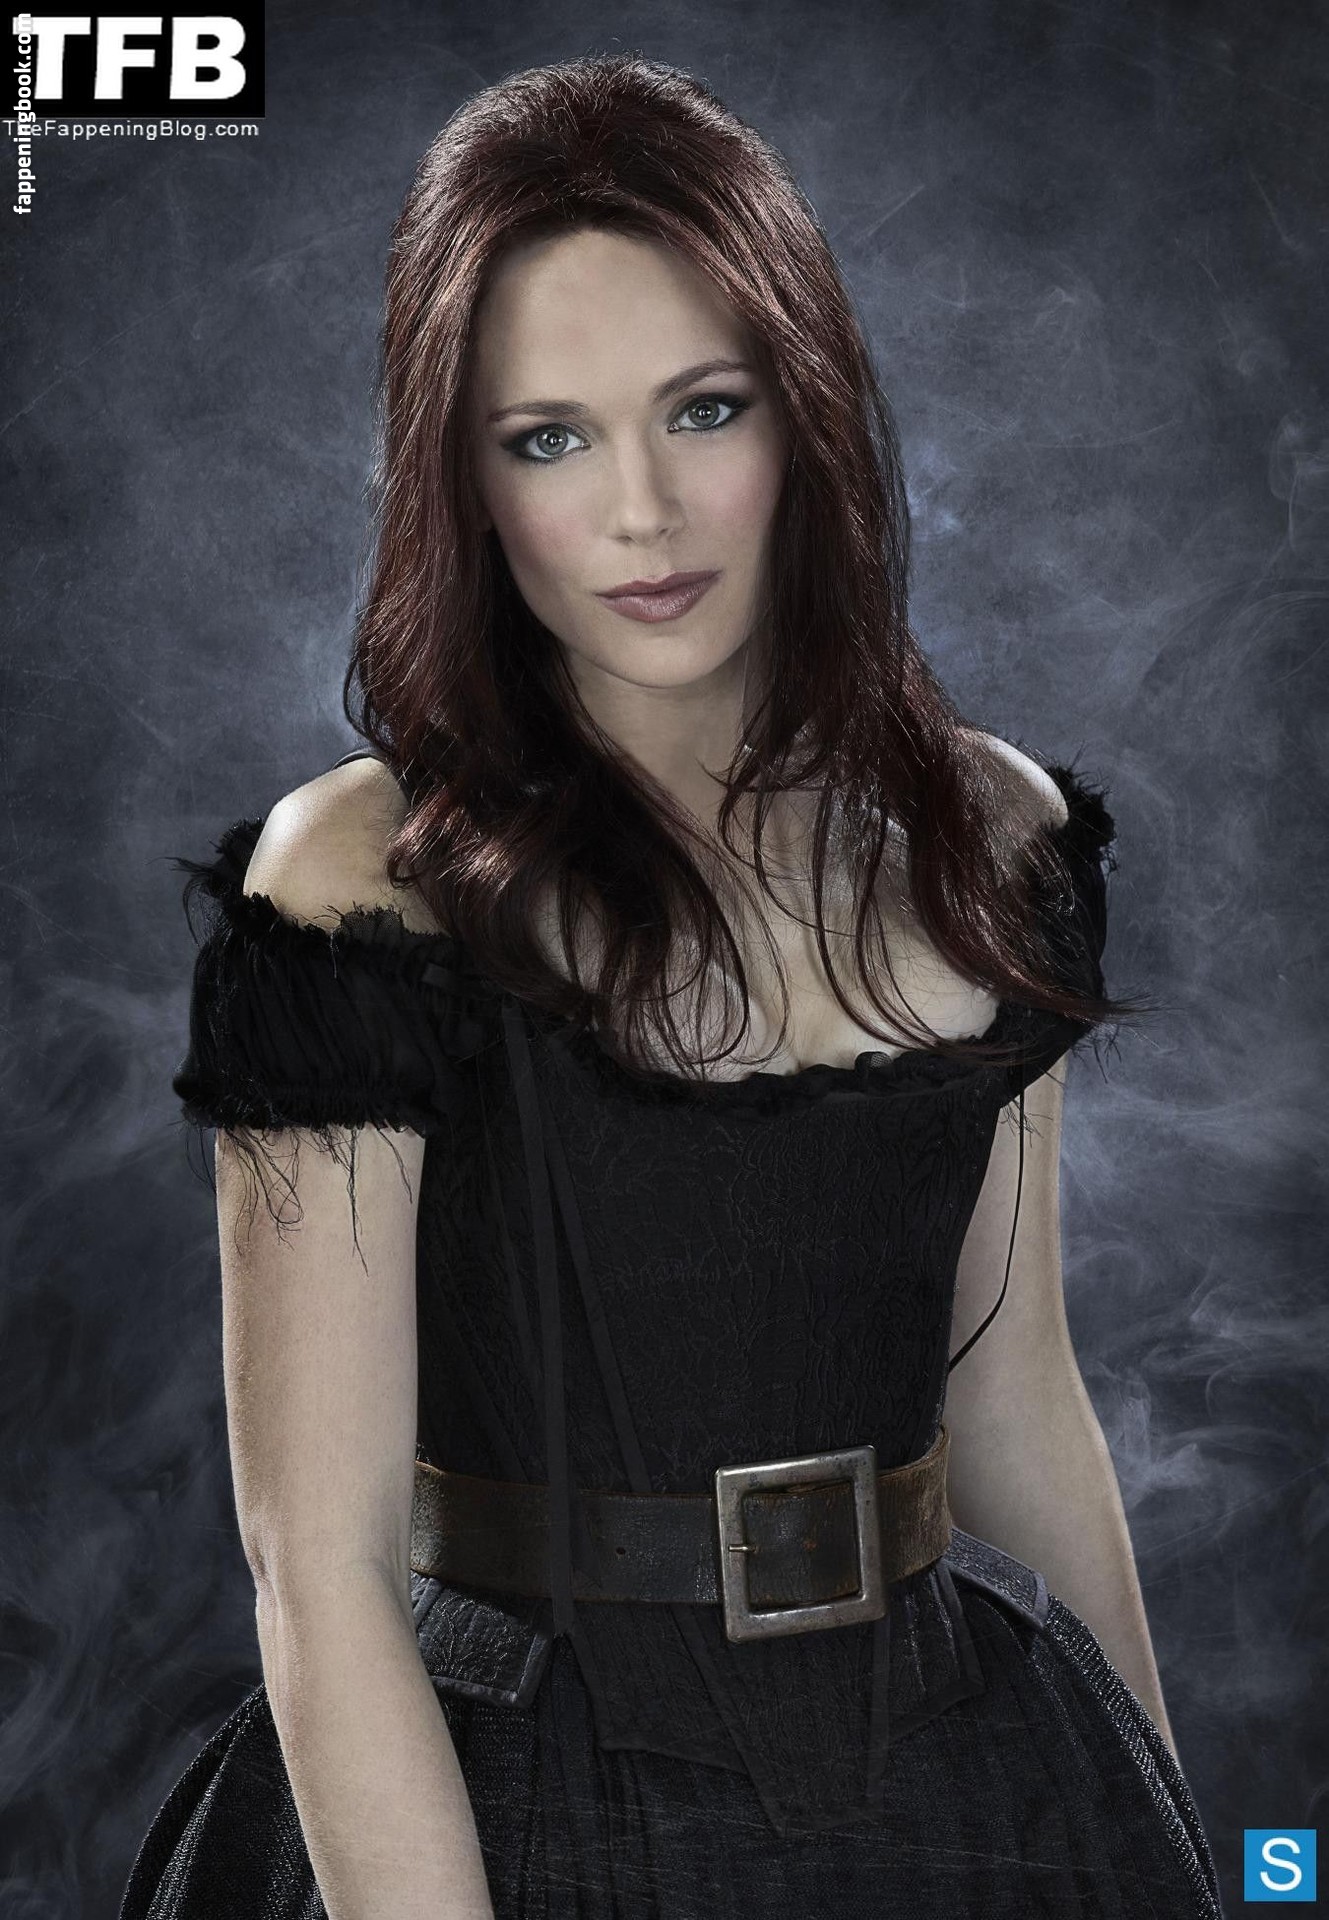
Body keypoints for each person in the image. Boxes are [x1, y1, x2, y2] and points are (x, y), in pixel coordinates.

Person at [120, 51, 1225, 1920]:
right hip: (501, 1815)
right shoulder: (356, 883)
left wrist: (1178, 1855)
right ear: (464, 482)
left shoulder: (993, 834)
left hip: (969, 1788)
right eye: (546, 439)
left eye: (704, 409)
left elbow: (1017, 1400)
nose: (643, 510)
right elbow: (317, 1568)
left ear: (806, 412)